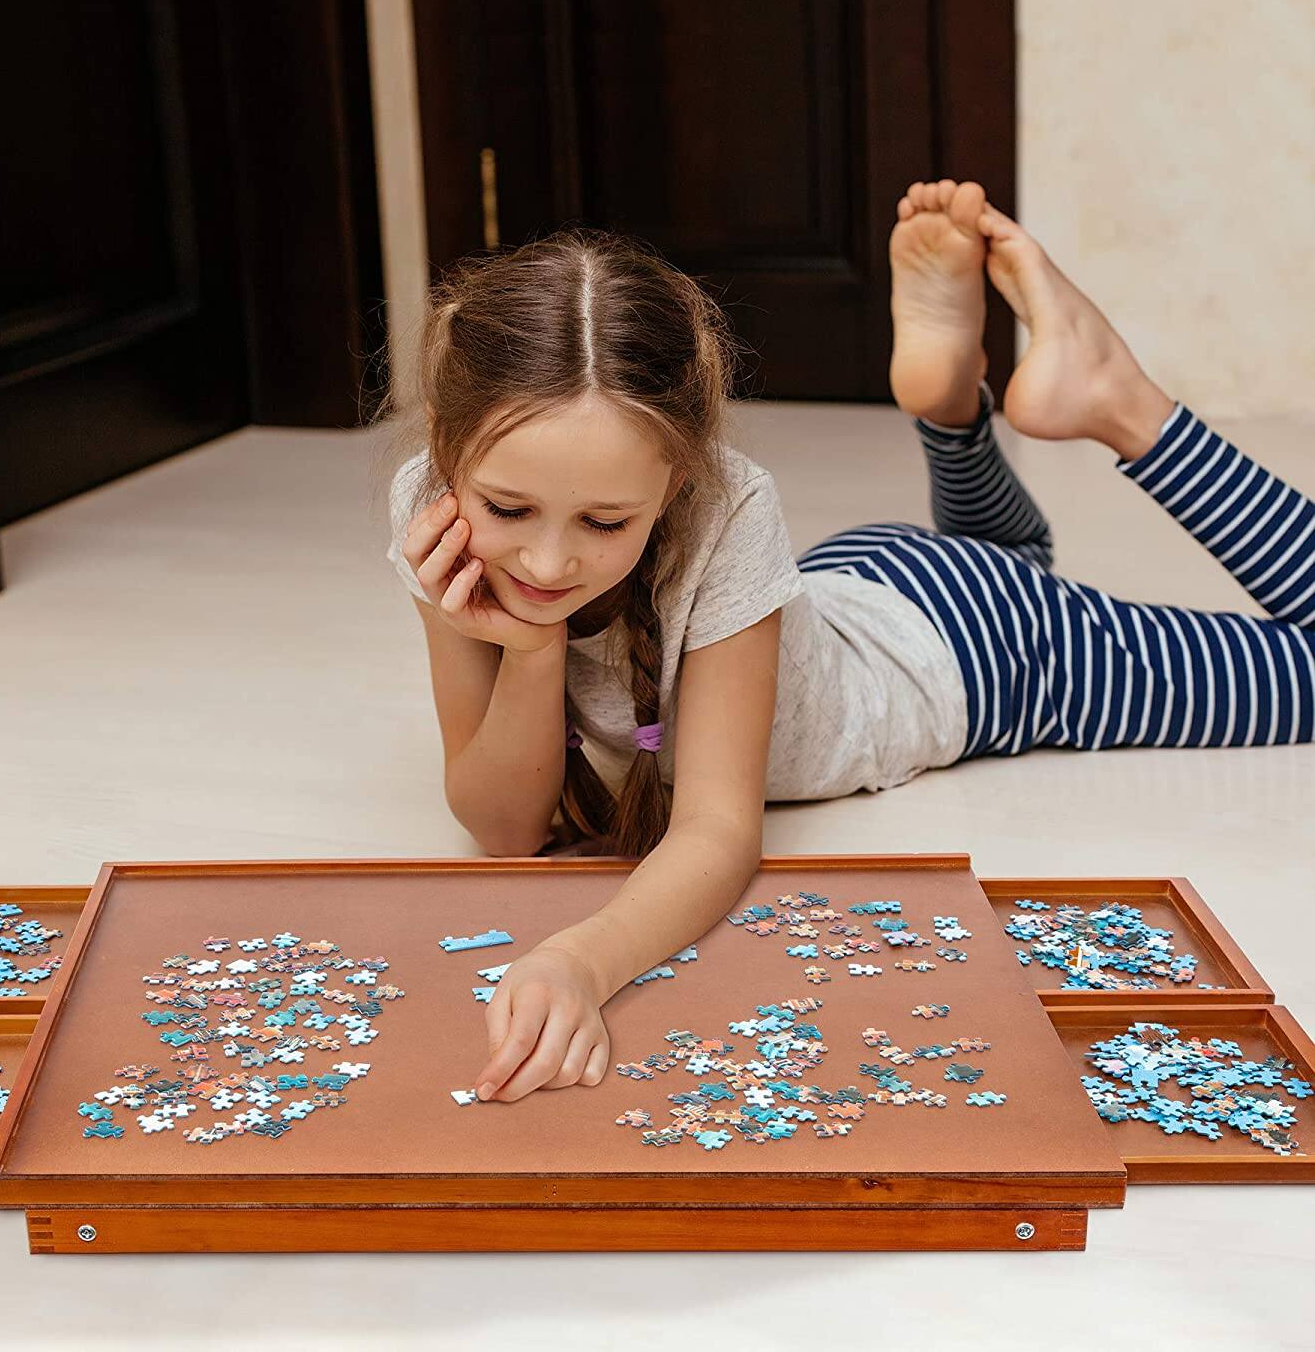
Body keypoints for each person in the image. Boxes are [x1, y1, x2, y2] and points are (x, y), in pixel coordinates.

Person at [380, 180, 1315, 1104]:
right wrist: (532, 649)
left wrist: (582, 960)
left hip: (981, 654)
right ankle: (951, 417)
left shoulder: (732, 506)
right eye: (508, 508)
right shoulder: (433, 504)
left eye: (605, 522)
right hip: (852, 581)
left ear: (679, 479)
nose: (546, 560)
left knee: (1084, 598)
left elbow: (716, 830)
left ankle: (1121, 402)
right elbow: (505, 829)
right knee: (1012, 555)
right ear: (450, 452)